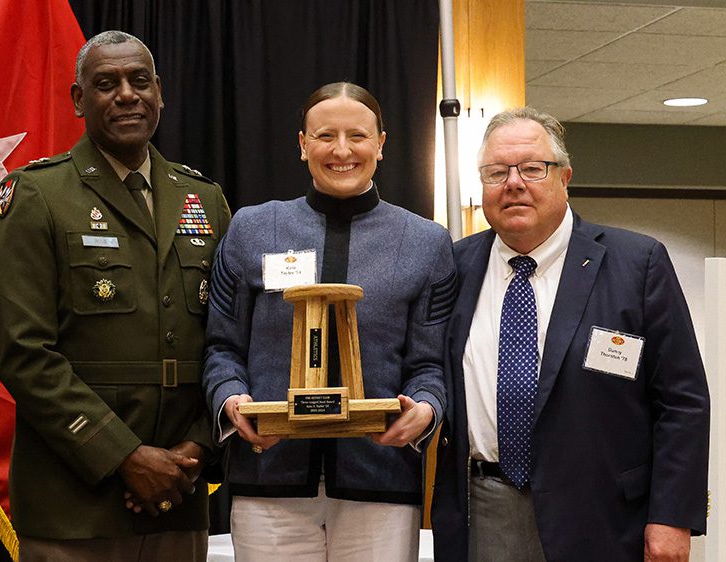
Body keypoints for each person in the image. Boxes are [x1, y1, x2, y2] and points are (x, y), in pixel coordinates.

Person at [0, 30, 231, 562]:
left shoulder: (204, 199)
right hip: (74, 508)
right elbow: (23, 354)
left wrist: (195, 450)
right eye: (105, 83)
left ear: (159, 92)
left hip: (178, 501)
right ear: (78, 100)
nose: (126, 95)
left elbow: (227, 341)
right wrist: (125, 457)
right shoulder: (35, 195)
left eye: (140, 81)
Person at [431, 107, 710, 562]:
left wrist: (672, 516)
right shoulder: (453, 267)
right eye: (496, 172)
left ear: (565, 178)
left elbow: (682, 401)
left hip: (601, 515)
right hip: (482, 510)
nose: (514, 183)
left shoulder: (636, 264)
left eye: (533, 169)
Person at [202, 82, 454, 561]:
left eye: (357, 136)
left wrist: (423, 409)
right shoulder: (253, 228)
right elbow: (221, 347)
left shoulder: (425, 242)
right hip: (269, 481)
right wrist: (233, 403)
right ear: (302, 145)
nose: (342, 150)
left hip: (379, 481)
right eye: (324, 136)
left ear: (381, 144)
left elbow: (430, 363)